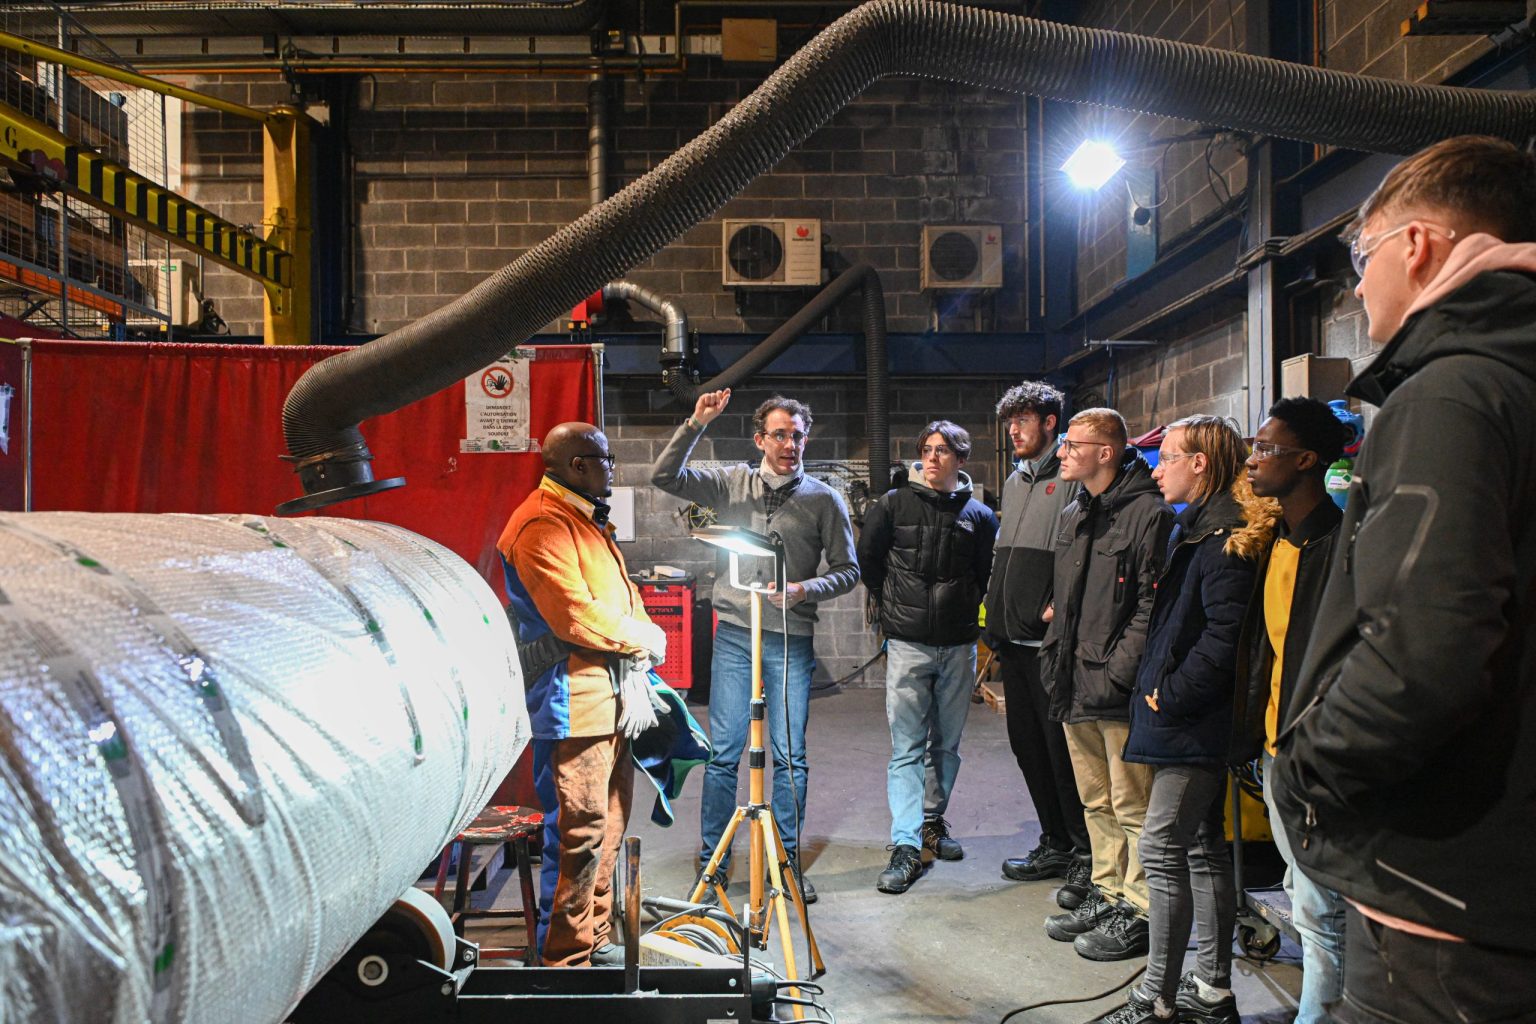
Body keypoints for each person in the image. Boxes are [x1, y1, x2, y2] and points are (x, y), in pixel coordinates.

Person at [1272, 134, 1536, 1023]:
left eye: (1362, 256)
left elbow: (1423, 656)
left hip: (1442, 893)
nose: (1356, 285)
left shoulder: (1451, 394)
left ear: (1418, 246)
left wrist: (1306, 773)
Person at [651, 388, 859, 904]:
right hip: (737, 635)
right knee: (724, 753)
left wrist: (805, 589)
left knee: (789, 756)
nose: (790, 445)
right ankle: (713, 864)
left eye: (798, 436)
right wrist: (696, 423)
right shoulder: (728, 484)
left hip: (791, 638)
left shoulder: (824, 499)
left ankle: (783, 865)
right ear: (759, 439)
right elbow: (664, 476)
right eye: (780, 435)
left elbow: (848, 570)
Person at [1089, 415, 1266, 1024]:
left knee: (1162, 847)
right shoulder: (1198, 529)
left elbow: (1224, 638)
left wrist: (1172, 694)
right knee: (1201, 847)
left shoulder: (1223, 539)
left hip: (1195, 723)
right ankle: (1212, 991)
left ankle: (1156, 998)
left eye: (1167, 457)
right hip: (1189, 717)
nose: (1157, 469)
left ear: (1200, 464)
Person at [498, 422, 668, 968]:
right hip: (573, 701)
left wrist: (643, 628)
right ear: (577, 465)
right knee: (577, 833)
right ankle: (564, 959)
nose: (611, 468)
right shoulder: (540, 524)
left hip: (609, 698)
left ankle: (593, 938)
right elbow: (574, 615)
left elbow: (622, 593)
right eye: (605, 459)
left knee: (609, 824)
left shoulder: (584, 518)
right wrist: (642, 637)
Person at [1231, 398, 1349, 1024]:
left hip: (1317, 755)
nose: (1252, 460)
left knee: (1321, 903)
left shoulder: (1343, 547)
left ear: (1305, 460)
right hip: (1276, 748)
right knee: (1301, 889)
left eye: (1265, 449)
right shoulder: (1276, 541)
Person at [1037, 409, 1171, 958]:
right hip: (1073, 679)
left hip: (1114, 687)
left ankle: (1140, 909)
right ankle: (1109, 891)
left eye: (1073, 444)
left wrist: (1120, 671)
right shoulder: (1075, 512)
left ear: (1106, 452)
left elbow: (1150, 605)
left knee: (1132, 803)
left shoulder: (1149, 514)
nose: (1063, 452)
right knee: (1096, 801)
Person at [858, 421, 999, 894]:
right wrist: (895, 607)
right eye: (926, 450)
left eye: (942, 450)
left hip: (958, 645)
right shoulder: (893, 504)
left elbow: (986, 573)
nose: (932, 458)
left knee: (947, 745)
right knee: (907, 747)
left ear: (961, 458)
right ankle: (905, 843)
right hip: (908, 644)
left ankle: (932, 822)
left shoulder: (979, 516)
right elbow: (868, 561)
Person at [984, 381, 1090, 885]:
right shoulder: (1015, 480)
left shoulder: (1070, 477)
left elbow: (1081, 551)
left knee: (1060, 753)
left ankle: (1084, 854)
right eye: (1010, 422)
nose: (1014, 430)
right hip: (1011, 638)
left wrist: (1058, 605)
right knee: (1027, 748)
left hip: (1046, 644)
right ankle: (1055, 842)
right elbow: (1004, 555)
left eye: (1022, 420)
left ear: (1050, 423)